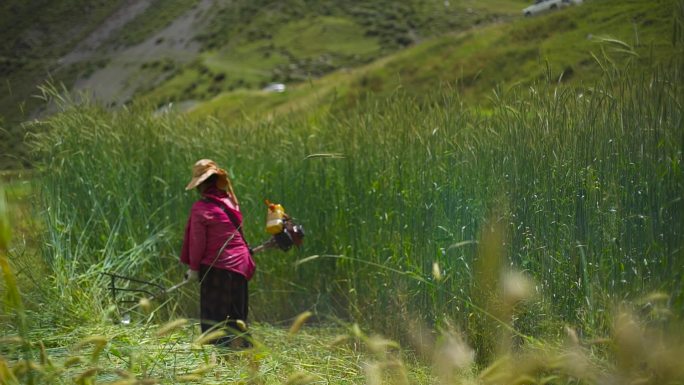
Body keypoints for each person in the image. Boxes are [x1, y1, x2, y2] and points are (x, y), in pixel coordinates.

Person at [180, 159, 255, 348]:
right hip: (240, 267)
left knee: (214, 324)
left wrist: (194, 270)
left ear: (202, 184)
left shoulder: (201, 208)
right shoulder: (231, 202)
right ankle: (244, 363)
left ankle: (217, 366)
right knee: (237, 320)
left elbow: (198, 244)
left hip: (217, 269)